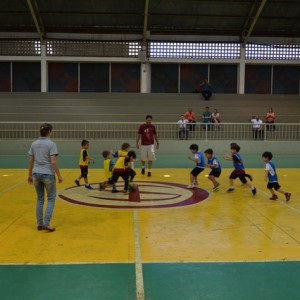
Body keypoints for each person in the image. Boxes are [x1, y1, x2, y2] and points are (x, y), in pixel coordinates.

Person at [28, 123, 63, 232]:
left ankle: (39, 224)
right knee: (51, 199)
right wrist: (59, 176)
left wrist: (29, 175)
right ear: (49, 132)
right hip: (47, 174)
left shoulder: (34, 144)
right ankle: (46, 223)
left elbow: (30, 160)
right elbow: (53, 162)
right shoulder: (51, 144)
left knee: (40, 199)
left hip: (36, 174)